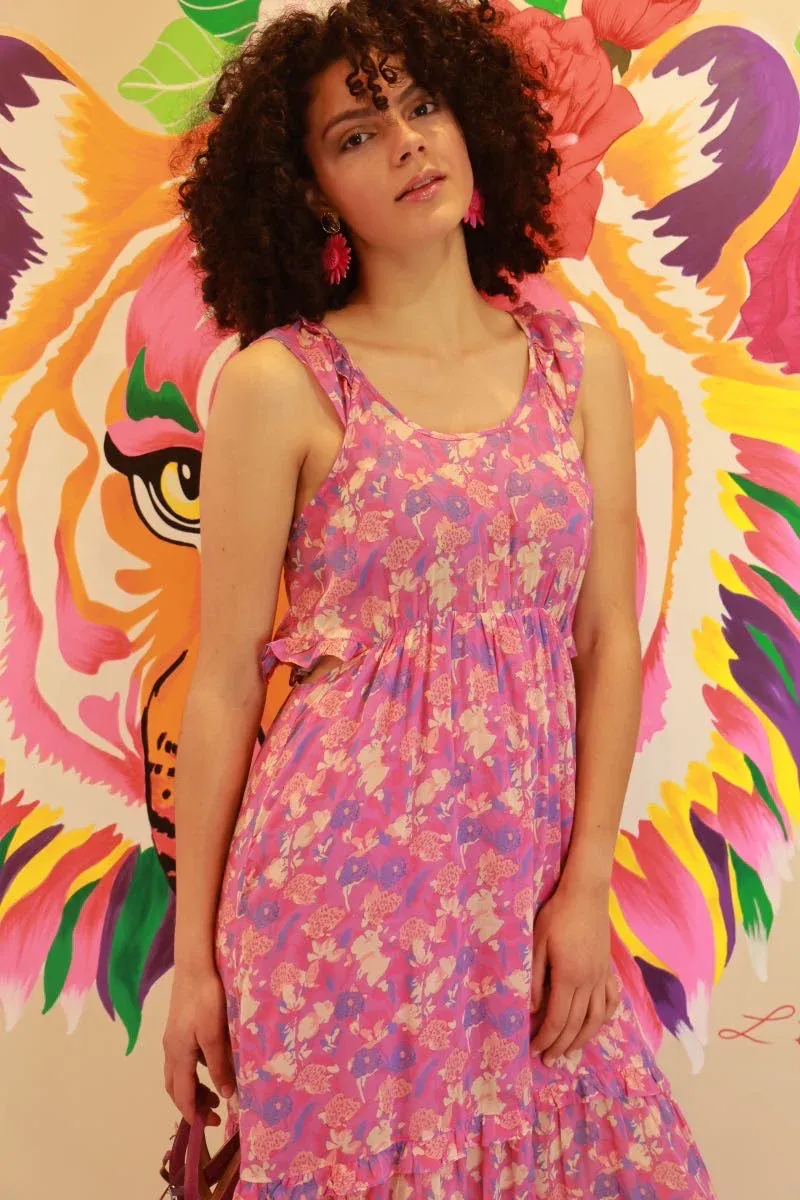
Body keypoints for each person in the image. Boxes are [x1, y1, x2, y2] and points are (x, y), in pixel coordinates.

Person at [162, 1, 718, 1196]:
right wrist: (194, 964)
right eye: (355, 133)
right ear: (311, 190)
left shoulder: (577, 365)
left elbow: (604, 637)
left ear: (471, 127)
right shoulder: (279, 385)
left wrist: (584, 885)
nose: (406, 141)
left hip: (527, 893)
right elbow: (222, 688)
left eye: (421, 106)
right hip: (334, 905)